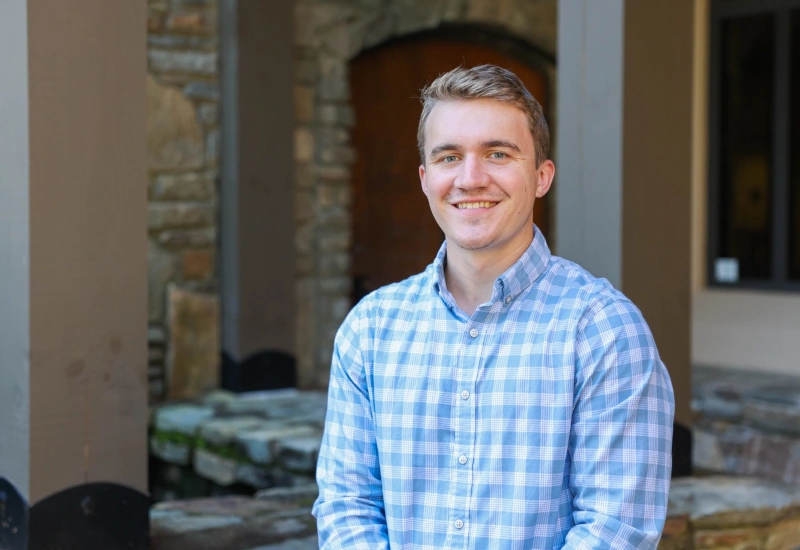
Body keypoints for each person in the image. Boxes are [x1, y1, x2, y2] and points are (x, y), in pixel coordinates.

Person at [312, 64, 675, 549]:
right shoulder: (371, 329)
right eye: (449, 157)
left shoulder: (604, 330)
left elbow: (615, 530)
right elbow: (347, 508)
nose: (470, 178)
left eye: (498, 154)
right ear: (425, 179)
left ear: (541, 176)